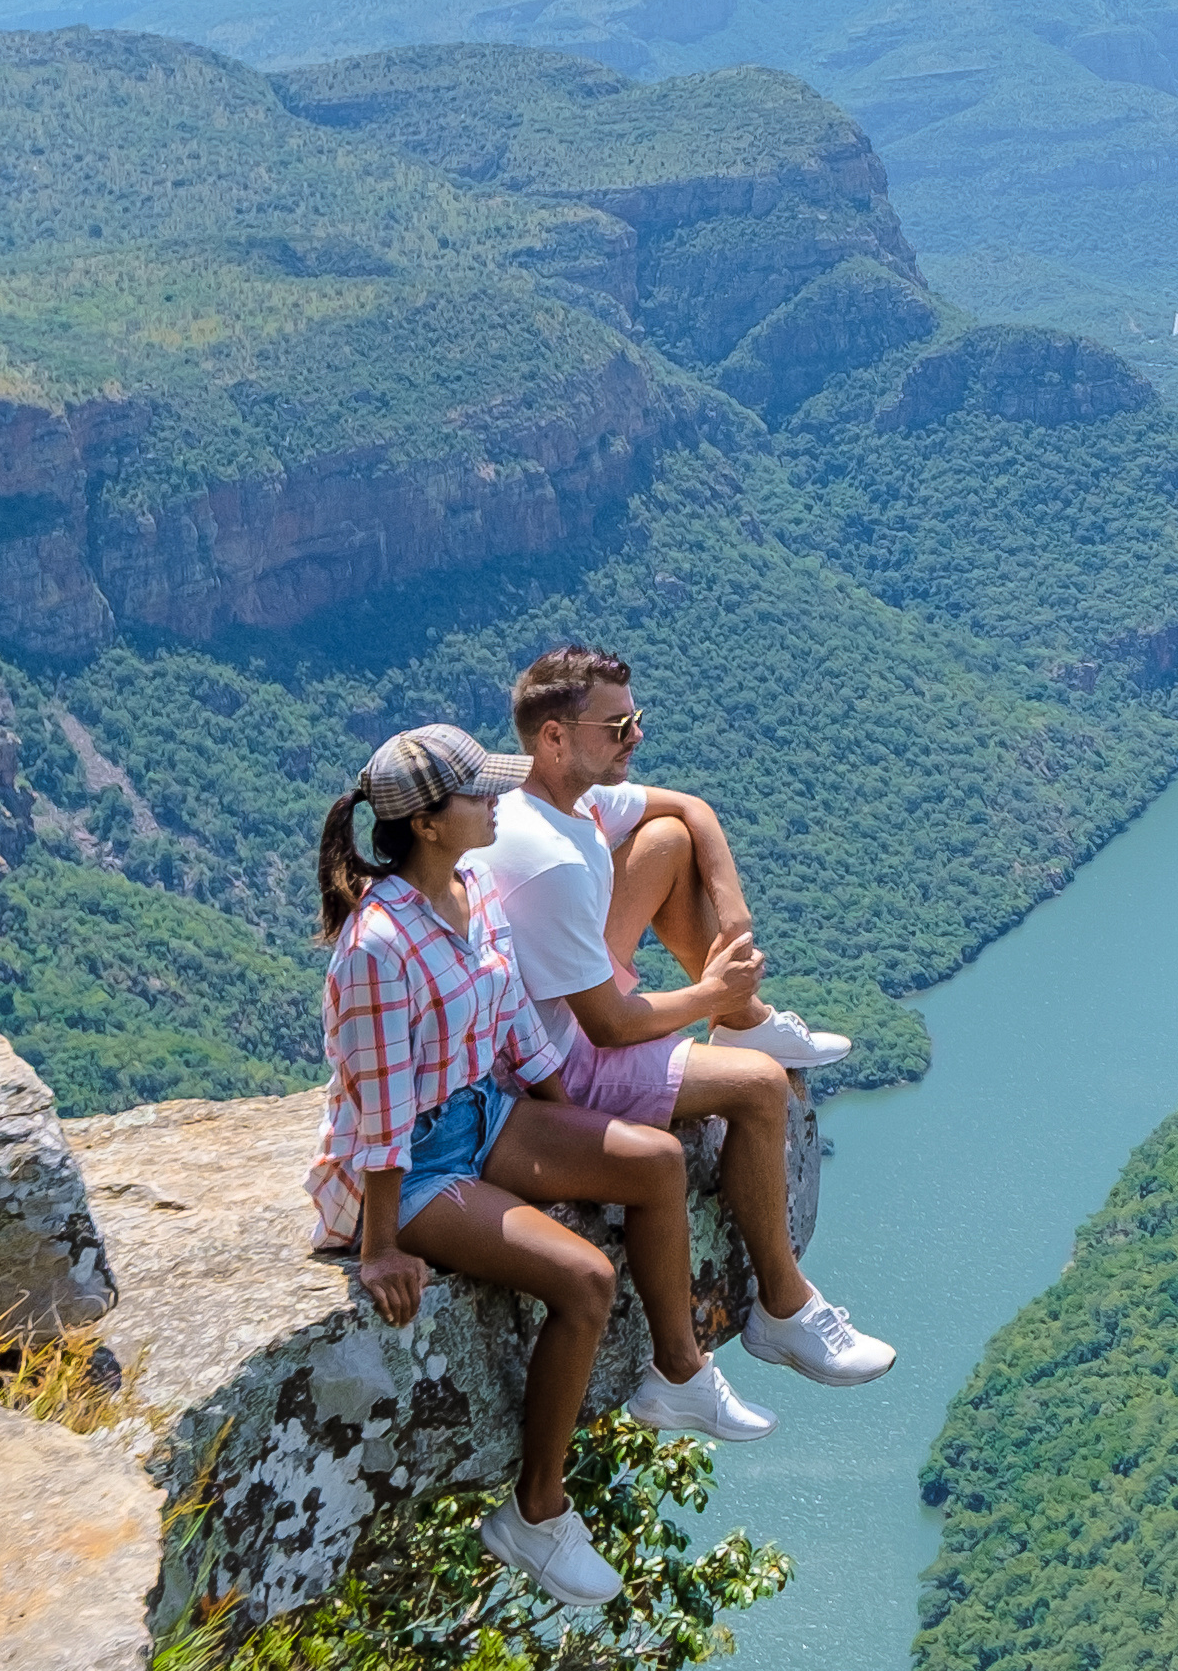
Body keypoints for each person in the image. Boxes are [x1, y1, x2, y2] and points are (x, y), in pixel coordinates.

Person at [315, 720, 780, 1609]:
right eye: (477, 793)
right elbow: (377, 1111)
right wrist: (379, 1247)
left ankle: (676, 1374)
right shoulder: (378, 946)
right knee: (584, 1279)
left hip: (489, 1115)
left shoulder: (473, 886)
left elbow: (517, 1033)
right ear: (424, 821)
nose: (497, 801)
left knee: (652, 1164)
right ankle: (536, 1510)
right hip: (413, 1167)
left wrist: (577, 1133)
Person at [468, 643, 894, 1388]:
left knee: (666, 840)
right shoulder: (551, 858)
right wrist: (711, 994)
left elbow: (689, 808)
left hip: (567, 1007)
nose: (636, 737)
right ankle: (783, 1310)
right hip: (553, 1057)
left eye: (637, 718)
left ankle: (745, 1018)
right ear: (555, 738)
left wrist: (730, 905)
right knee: (761, 1089)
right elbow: (610, 1026)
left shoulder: (564, 798)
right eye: (617, 726)